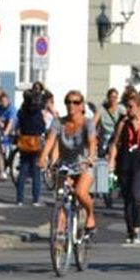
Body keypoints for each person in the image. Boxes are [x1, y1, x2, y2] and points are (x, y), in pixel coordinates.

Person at [43, 89, 99, 238]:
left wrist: (91, 158)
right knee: (61, 197)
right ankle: (60, 234)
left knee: (80, 192)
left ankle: (90, 215)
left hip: (84, 164)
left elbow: (92, 142)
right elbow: (50, 141)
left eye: (76, 102)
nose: (71, 105)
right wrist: (43, 158)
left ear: (82, 106)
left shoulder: (88, 123)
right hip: (66, 164)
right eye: (68, 102)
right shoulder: (58, 122)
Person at [108, 91, 140, 244]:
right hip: (125, 164)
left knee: (137, 196)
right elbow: (115, 144)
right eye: (127, 107)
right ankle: (130, 230)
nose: (128, 110)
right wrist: (111, 162)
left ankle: (136, 228)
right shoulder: (123, 123)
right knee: (127, 199)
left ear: (139, 107)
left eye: (130, 107)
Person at [14, 84, 50, 206]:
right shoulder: (37, 112)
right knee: (36, 172)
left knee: (23, 171)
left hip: (24, 141)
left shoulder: (22, 111)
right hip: (35, 142)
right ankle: (35, 199)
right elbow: (42, 127)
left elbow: (19, 124)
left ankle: (19, 199)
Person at [95, 88, 124, 158]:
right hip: (104, 139)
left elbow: (126, 119)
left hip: (116, 138)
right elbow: (94, 122)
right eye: (111, 97)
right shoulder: (101, 109)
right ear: (108, 98)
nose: (113, 100)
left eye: (115, 97)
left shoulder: (121, 109)